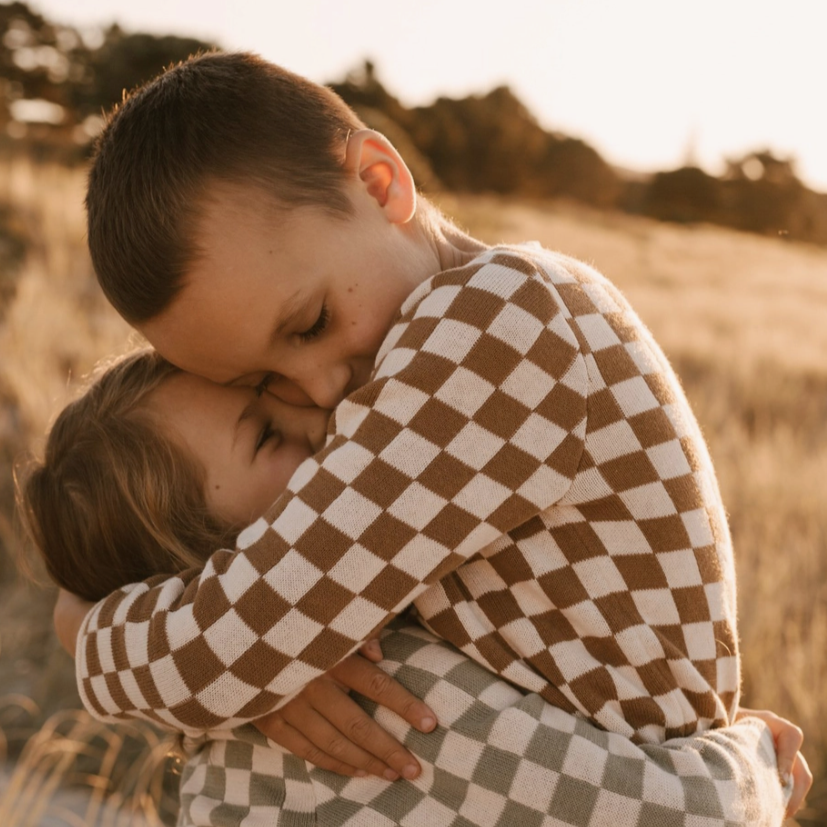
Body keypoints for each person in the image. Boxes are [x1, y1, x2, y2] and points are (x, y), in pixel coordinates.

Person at [51, 51, 811, 819]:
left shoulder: (493, 326)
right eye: (262, 382)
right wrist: (260, 670)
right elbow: (247, 643)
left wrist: (101, 634)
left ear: (380, 181)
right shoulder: (442, 342)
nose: (318, 390)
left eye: (310, 322)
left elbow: (228, 645)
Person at [25, 349, 802, 824]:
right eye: (266, 435)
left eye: (272, 388)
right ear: (198, 560)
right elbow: (667, 817)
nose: (322, 414)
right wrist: (755, 762)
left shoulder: (210, 681)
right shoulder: (388, 691)